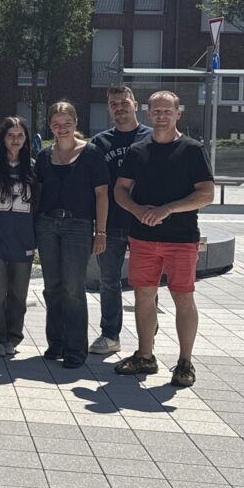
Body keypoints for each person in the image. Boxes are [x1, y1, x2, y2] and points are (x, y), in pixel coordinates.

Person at [113, 91, 213, 388]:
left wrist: (168, 209)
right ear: (147, 113)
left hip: (181, 238)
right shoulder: (138, 150)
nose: (161, 115)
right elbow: (120, 190)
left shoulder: (192, 150)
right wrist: (137, 209)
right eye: (156, 111)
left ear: (178, 113)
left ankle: (184, 362)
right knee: (143, 296)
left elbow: (206, 194)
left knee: (183, 298)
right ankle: (145, 356)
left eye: (167, 111)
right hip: (142, 237)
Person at [34, 101, 109, 368]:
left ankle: (76, 349)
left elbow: (102, 194)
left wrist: (100, 231)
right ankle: (56, 343)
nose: (62, 128)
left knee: (74, 288)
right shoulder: (44, 156)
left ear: (76, 123)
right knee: (52, 287)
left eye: (67, 123)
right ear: (50, 126)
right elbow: (38, 194)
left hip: (78, 226)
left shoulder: (91, 153)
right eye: (56, 124)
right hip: (47, 225)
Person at [89, 85, 152, 355]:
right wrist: (97, 227)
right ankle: (110, 334)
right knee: (109, 281)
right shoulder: (100, 142)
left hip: (146, 223)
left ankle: (147, 336)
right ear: (109, 108)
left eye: (124, 102)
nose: (120, 107)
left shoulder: (153, 137)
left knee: (146, 283)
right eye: (114, 104)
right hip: (112, 222)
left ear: (135, 105)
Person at [0, 117, 38, 357]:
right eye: (10, 135)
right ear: (2, 139)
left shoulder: (34, 167)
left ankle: (12, 337)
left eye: (20, 135)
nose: (15, 140)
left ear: (26, 139)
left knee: (18, 293)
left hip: (22, 238)